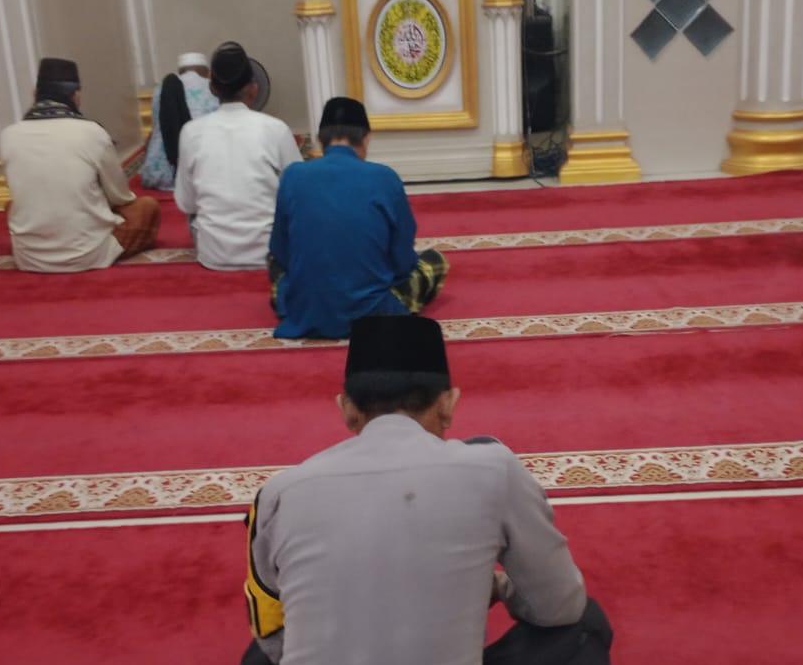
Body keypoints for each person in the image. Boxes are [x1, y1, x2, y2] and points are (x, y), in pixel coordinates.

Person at [241, 315, 612, 665]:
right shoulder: (494, 469)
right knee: (584, 625)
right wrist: (499, 587)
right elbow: (559, 607)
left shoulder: (278, 493)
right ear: (448, 404)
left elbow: (272, 637)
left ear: (347, 409)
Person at [268, 97, 448, 338]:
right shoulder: (385, 177)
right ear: (366, 137)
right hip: (375, 314)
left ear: (320, 139)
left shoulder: (293, 175)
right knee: (435, 261)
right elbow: (403, 261)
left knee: (275, 262)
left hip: (306, 310)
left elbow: (280, 250)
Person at [0, 57, 161, 272]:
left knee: (11, 206)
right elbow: (120, 197)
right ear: (76, 95)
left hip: (29, 258)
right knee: (146, 207)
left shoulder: (8, 135)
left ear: (35, 94)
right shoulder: (92, 132)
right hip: (88, 254)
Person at [173, 42, 302, 270]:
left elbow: (186, 203)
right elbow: (299, 195)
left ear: (212, 88)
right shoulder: (276, 129)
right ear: (254, 88)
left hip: (213, 255)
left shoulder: (191, 132)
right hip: (270, 251)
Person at [141, 51, 219, 190]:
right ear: (208, 73)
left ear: (181, 72)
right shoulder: (213, 87)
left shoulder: (161, 89)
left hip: (158, 174)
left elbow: (156, 128)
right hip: (204, 173)